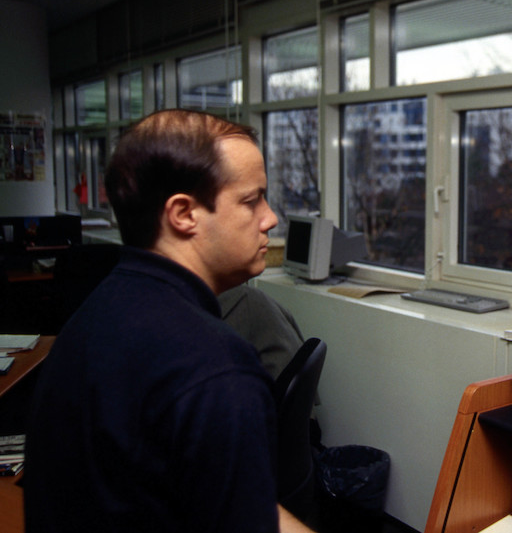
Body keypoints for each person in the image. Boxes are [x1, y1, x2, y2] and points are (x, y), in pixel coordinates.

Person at [25, 109, 314, 533]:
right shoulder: (214, 366)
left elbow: (234, 503)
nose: (270, 218)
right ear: (183, 213)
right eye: (251, 200)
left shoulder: (94, 315)